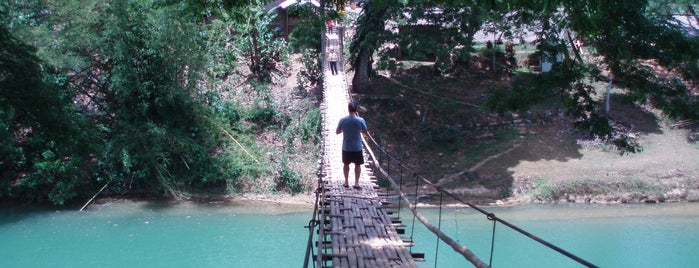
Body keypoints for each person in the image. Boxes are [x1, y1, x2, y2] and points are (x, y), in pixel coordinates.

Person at [336, 103, 368, 189]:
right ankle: (356, 183)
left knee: (346, 164)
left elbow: (337, 132)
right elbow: (365, 132)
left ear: (348, 109)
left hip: (346, 146)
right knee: (358, 165)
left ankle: (346, 182)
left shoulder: (343, 120)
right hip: (357, 147)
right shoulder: (361, 120)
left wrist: (345, 129)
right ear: (356, 110)